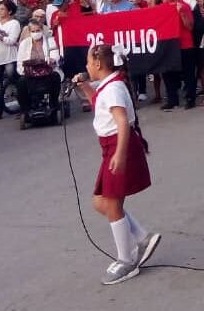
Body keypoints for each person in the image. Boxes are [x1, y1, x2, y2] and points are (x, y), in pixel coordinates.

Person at [71, 44, 160, 285]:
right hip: (110, 147)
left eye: (89, 61)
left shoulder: (113, 88)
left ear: (98, 64)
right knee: (101, 202)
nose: (87, 65)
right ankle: (142, 238)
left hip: (118, 147)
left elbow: (121, 122)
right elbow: (98, 104)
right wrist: (84, 86)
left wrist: (119, 155)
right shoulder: (108, 85)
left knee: (111, 203)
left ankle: (126, 260)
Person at [15, 18, 62, 130]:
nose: (36, 33)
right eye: (33, 31)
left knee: (56, 77)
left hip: (47, 73)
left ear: (42, 30)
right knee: (21, 83)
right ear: (30, 32)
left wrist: (52, 60)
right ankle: (25, 110)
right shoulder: (24, 44)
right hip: (31, 74)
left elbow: (56, 55)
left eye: (38, 30)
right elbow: (20, 62)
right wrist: (25, 70)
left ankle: (53, 106)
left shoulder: (50, 41)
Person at [160, 0, 197, 111]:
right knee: (168, 74)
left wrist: (181, 13)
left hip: (185, 45)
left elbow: (190, 26)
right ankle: (172, 100)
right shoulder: (162, 7)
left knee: (188, 74)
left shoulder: (184, 6)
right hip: (169, 46)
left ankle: (190, 99)